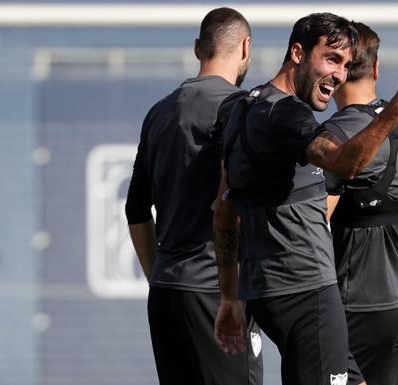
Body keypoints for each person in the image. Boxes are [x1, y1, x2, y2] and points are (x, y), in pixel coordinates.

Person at [213, 12, 398, 385]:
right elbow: (344, 164)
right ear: (298, 53)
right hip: (307, 291)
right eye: (331, 59)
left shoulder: (240, 108)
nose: (340, 75)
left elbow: (225, 209)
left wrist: (231, 296)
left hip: (264, 291)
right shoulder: (289, 115)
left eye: (346, 65)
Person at [124, 8, 263, 385]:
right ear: (246, 48)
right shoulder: (244, 108)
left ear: (198, 48)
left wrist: (160, 278)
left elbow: (135, 209)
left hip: (168, 293)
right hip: (219, 297)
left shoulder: (159, 112)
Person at [322, 21, 398, 385]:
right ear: (377, 69)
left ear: (338, 71)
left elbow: (314, 227)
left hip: (353, 307)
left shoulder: (336, 136)